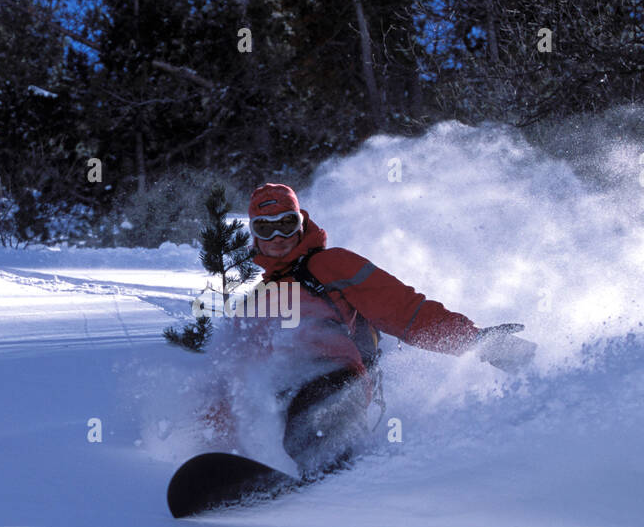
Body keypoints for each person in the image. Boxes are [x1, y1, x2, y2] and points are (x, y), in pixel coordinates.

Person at [206, 182, 532, 478]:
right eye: (266, 228)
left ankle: (334, 482)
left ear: (301, 223)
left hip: (336, 379)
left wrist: (475, 342)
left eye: (286, 224)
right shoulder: (258, 301)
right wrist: (213, 444)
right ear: (254, 234)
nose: (277, 237)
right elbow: (236, 376)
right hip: (285, 393)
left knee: (313, 422)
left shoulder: (331, 265)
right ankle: (307, 484)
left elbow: (404, 310)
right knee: (287, 421)